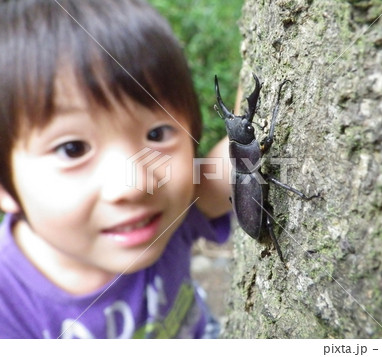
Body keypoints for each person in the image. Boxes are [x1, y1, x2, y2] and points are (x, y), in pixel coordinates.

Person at [0, 0, 232, 338]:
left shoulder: (169, 208)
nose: (135, 185)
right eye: (72, 149)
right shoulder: (8, 306)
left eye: (157, 134)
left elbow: (238, 162)